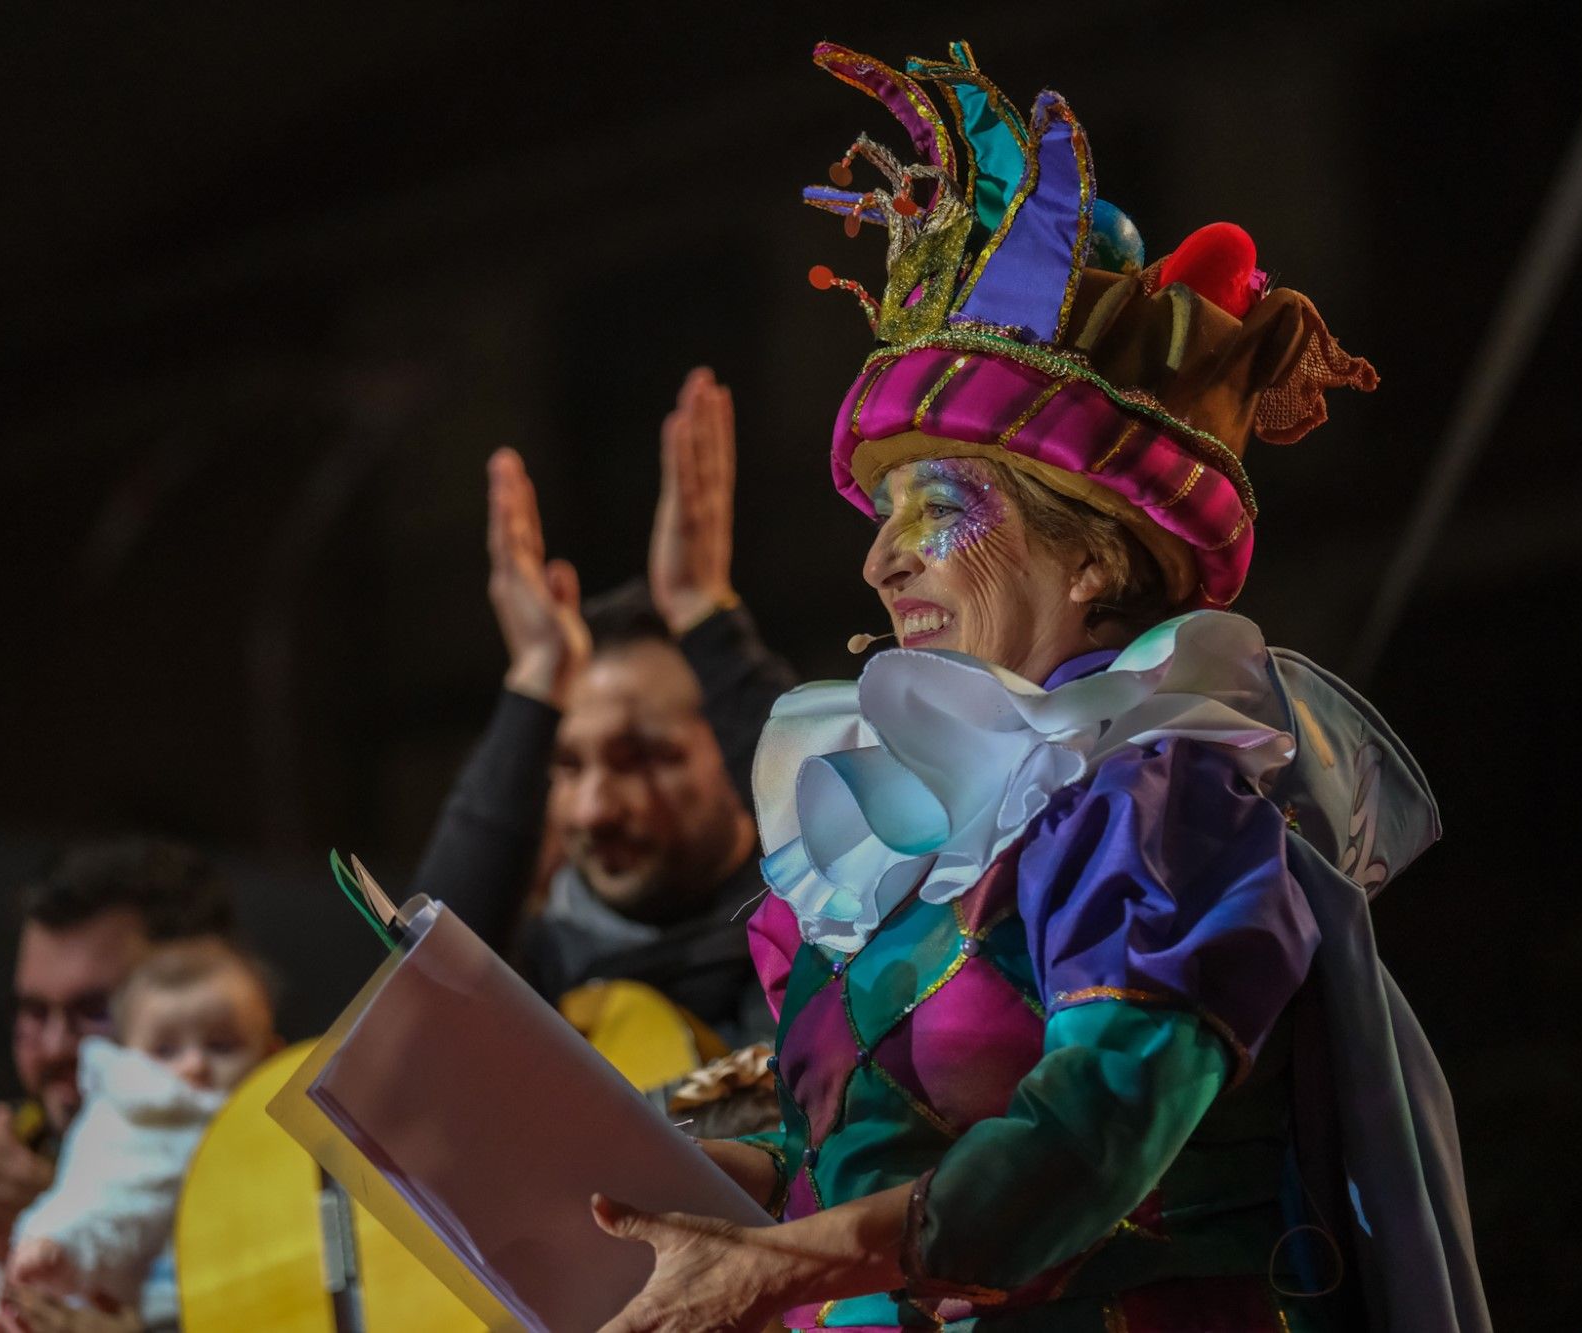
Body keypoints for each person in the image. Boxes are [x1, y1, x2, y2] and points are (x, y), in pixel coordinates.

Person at [587, 42, 1489, 1333]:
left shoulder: (1166, 808)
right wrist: (649, 1200)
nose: (879, 555)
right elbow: (856, 1171)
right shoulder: (897, 849)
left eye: (938, 506)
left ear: (1097, 553)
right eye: (883, 513)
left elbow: (1095, 1133)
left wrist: (791, 1264)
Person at [409, 367, 795, 1043]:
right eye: (564, 766)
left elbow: (857, 833)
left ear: (735, 751)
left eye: (643, 755)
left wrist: (706, 618)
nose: (592, 809)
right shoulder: (534, 975)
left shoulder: (820, 946)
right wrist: (534, 682)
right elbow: (417, 989)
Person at [0, 839, 234, 1332]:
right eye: (34, 1012)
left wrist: (54, 1229)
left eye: (96, 1010)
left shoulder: (281, 1164)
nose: (56, 1046)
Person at [0, 940, 281, 1330]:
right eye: (165, 1050)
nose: (195, 1064)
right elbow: (106, 1200)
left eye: (221, 1046)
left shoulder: (277, 1122)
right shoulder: (135, 1118)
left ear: (268, 1050)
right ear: (128, 1053)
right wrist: (58, 1245)